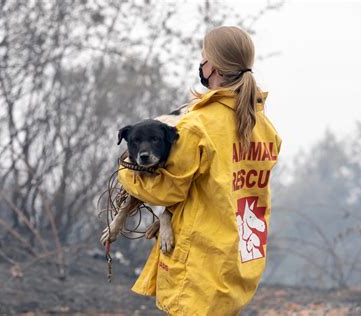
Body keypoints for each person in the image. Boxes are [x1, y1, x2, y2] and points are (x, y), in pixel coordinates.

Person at [118, 26, 282, 315]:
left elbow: (167, 190)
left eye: (203, 58)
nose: (201, 64)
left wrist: (126, 173)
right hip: (242, 256)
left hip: (201, 261)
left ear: (213, 67)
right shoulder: (264, 126)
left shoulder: (197, 126)